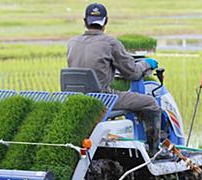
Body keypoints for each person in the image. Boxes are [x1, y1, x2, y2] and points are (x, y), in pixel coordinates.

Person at [67, 3, 161, 156]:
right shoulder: (110, 43)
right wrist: (146, 64)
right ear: (106, 22)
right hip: (104, 98)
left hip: (77, 98)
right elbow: (132, 73)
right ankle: (154, 151)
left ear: (85, 21)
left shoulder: (72, 43)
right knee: (150, 103)